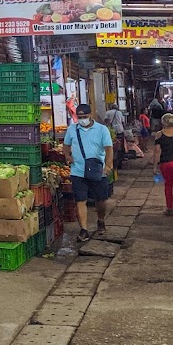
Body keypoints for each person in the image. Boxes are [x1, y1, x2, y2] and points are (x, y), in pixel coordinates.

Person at [63, 104, 114, 243]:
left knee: (101, 199)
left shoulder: (102, 130)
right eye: (79, 117)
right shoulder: (72, 129)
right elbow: (66, 145)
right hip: (78, 170)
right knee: (80, 200)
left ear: (90, 115)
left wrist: (109, 165)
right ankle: (84, 229)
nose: (82, 120)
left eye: (84, 117)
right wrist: (67, 156)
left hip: (98, 170)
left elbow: (108, 148)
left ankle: (101, 220)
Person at [152, 113, 173, 218]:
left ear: (163, 122)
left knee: (168, 185)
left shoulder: (159, 134)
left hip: (166, 163)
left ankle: (169, 208)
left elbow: (157, 151)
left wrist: (155, 166)